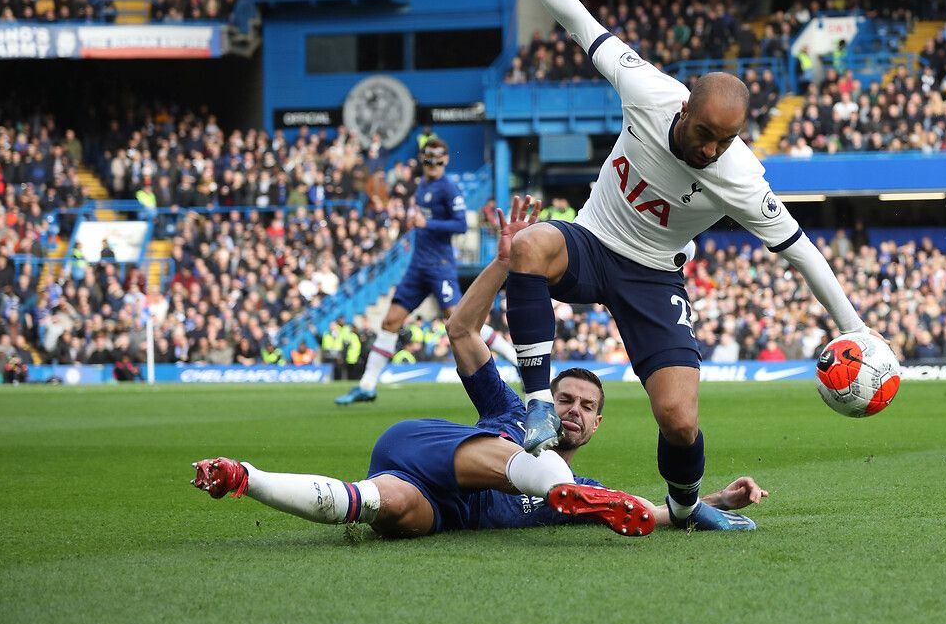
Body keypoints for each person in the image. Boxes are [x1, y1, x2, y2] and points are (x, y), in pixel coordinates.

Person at [486, 0, 872, 531]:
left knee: (679, 419)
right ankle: (536, 405)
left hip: (653, 279)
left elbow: (800, 251)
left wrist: (858, 327)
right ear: (684, 107)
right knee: (530, 245)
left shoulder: (742, 177)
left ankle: (689, 508)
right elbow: (582, 23)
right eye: (705, 134)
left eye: (726, 141)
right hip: (592, 242)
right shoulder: (646, 88)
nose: (713, 150)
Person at [193, 196, 767, 537]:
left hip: (437, 501)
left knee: (382, 508)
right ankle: (543, 479)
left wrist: (709, 502)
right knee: (547, 477)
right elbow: (461, 330)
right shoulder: (507, 407)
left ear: (596, 427)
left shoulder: (577, 487)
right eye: (565, 398)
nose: (573, 411)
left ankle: (244, 478)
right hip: (425, 447)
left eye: (586, 408)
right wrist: (502, 262)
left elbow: (643, 514)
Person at [337, 138, 518, 404]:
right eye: (428, 157)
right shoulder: (422, 186)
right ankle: (367, 385)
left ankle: (516, 361)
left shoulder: (448, 188)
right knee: (390, 322)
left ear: (445, 160)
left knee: (461, 323)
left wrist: (427, 222)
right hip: (417, 266)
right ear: (422, 159)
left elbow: (459, 225)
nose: (432, 162)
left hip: (439, 267)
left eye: (437, 157)